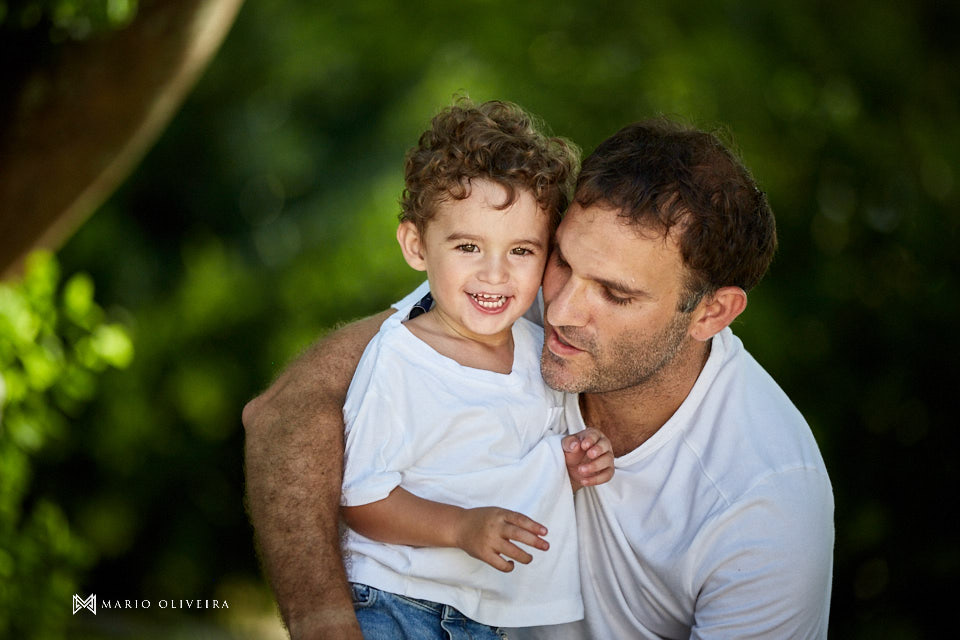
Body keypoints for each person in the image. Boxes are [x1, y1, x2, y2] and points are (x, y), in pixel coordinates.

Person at [243, 115, 835, 639]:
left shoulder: (766, 505)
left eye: (615, 294)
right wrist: (325, 621)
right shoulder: (503, 292)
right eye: (563, 261)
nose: (562, 310)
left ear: (711, 313)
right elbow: (285, 412)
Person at [337, 99, 613, 639]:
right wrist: (461, 526)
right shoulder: (400, 358)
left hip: (489, 620)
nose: (495, 273)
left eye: (521, 250)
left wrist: (573, 463)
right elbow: (362, 500)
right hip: (396, 602)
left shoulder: (543, 353)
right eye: (468, 246)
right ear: (417, 245)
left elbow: (522, 461)